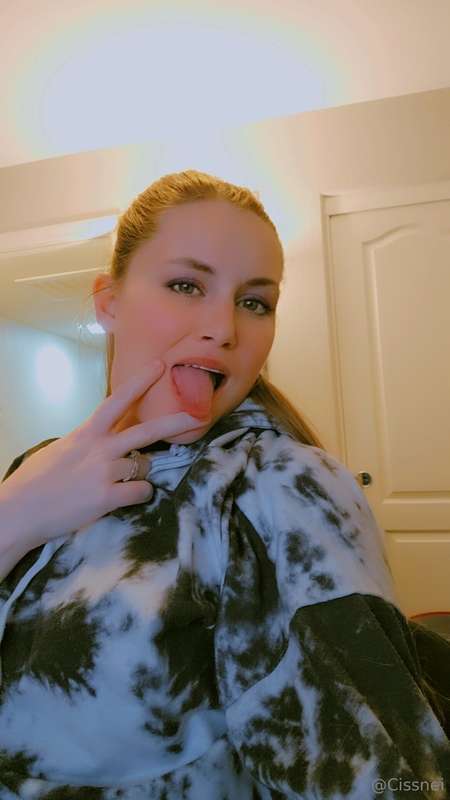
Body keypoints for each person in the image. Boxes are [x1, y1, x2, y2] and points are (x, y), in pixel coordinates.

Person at [0, 169, 449, 799]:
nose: (225, 328)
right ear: (108, 302)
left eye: (254, 302)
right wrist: (13, 515)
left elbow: (380, 779)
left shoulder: (283, 486)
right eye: (187, 285)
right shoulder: (36, 468)